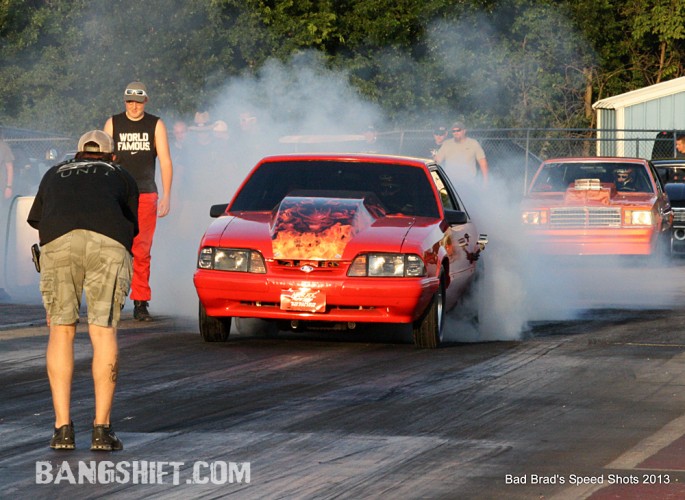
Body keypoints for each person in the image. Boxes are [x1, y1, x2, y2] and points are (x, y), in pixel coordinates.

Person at [27, 130, 139, 451]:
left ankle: (62, 429)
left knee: (61, 331)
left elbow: (37, 220)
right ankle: (101, 430)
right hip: (109, 242)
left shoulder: (53, 173)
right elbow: (131, 226)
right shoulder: (123, 175)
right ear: (111, 157)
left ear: (76, 156)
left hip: (59, 241)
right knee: (102, 332)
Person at [104, 81, 173, 321]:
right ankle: (110, 299)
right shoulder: (113, 123)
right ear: (125, 102)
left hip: (145, 192)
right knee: (113, 247)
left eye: (138, 102)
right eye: (130, 102)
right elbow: (103, 159)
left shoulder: (155, 124)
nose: (134, 107)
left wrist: (167, 195)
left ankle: (140, 302)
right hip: (117, 193)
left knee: (141, 249)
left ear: (146, 102)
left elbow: (164, 160)